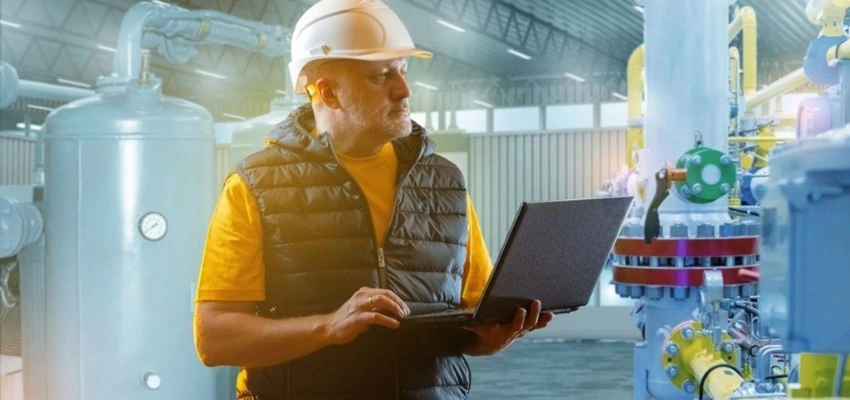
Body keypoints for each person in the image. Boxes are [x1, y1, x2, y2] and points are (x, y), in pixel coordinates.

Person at [193, 0, 553, 398]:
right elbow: (215, 338)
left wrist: (495, 336)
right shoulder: (255, 185)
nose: (404, 90)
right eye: (381, 75)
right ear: (328, 92)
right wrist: (329, 326)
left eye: (403, 70)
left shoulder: (445, 182)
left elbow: (470, 323)